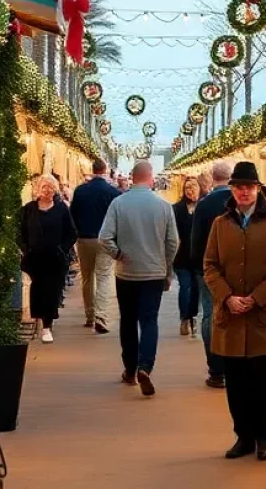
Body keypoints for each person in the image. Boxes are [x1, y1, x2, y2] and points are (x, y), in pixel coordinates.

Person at [204, 161, 266, 462]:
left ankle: (261, 435)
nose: (243, 191)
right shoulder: (220, 224)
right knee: (236, 380)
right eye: (238, 186)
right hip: (229, 316)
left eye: (249, 186)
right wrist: (227, 297)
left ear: (257, 189)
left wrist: (256, 298)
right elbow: (210, 265)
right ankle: (242, 435)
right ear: (231, 189)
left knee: (259, 378)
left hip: (261, 315)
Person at [99, 160, 178, 397]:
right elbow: (173, 242)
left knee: (128, 320)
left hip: (127, 273)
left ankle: (130, 369)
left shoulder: (118, 203)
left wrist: (119, 254)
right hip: (153, 273)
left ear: (132, 178)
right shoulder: (164, 206)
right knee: (149, 320)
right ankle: (146, 366)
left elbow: (104, 238)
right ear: (151, 178)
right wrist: (167, 269)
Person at [18, 174, 77, 343]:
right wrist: (26, 249)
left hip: (55, 258)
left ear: (55, 189)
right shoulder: (29, 209)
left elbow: (71, 233)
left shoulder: (61, 209)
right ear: (38, 189)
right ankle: (39, 319)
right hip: (35, 258)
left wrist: (62, 249)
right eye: (44, 187)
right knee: (37, 290)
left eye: (50, 187)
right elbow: (20, 231)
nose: (47, 190)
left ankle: (47, 326)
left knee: (52, 291)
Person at [191, 159, 233, 388]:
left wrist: (198, 268)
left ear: (213, 177)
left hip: (208, 269)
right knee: (234, 313)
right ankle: (232, 364)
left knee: (209, 315)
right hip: (235, 270)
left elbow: (196, 240)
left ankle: (216, 369)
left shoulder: (204, 204)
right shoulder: (238, 200)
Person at [70, 158, 120, 335]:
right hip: (105, 241)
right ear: (105, 170)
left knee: (87, 278)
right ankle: (101, 316)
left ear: (92, 170)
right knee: (104, 278)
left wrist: (77, 233)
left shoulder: (80, 191)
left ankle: (89, 315)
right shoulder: (113, 192)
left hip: (84, 239)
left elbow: (72, 215)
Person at [172, 176, 202, 337]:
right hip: (182, 256)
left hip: (198, 257)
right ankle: (184, 318)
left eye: (194, 188)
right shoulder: (176, 209)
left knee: (196, 289)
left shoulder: (203, 208)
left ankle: (193, 317)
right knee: (185, 287)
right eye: (188, 188)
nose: (191, 191)